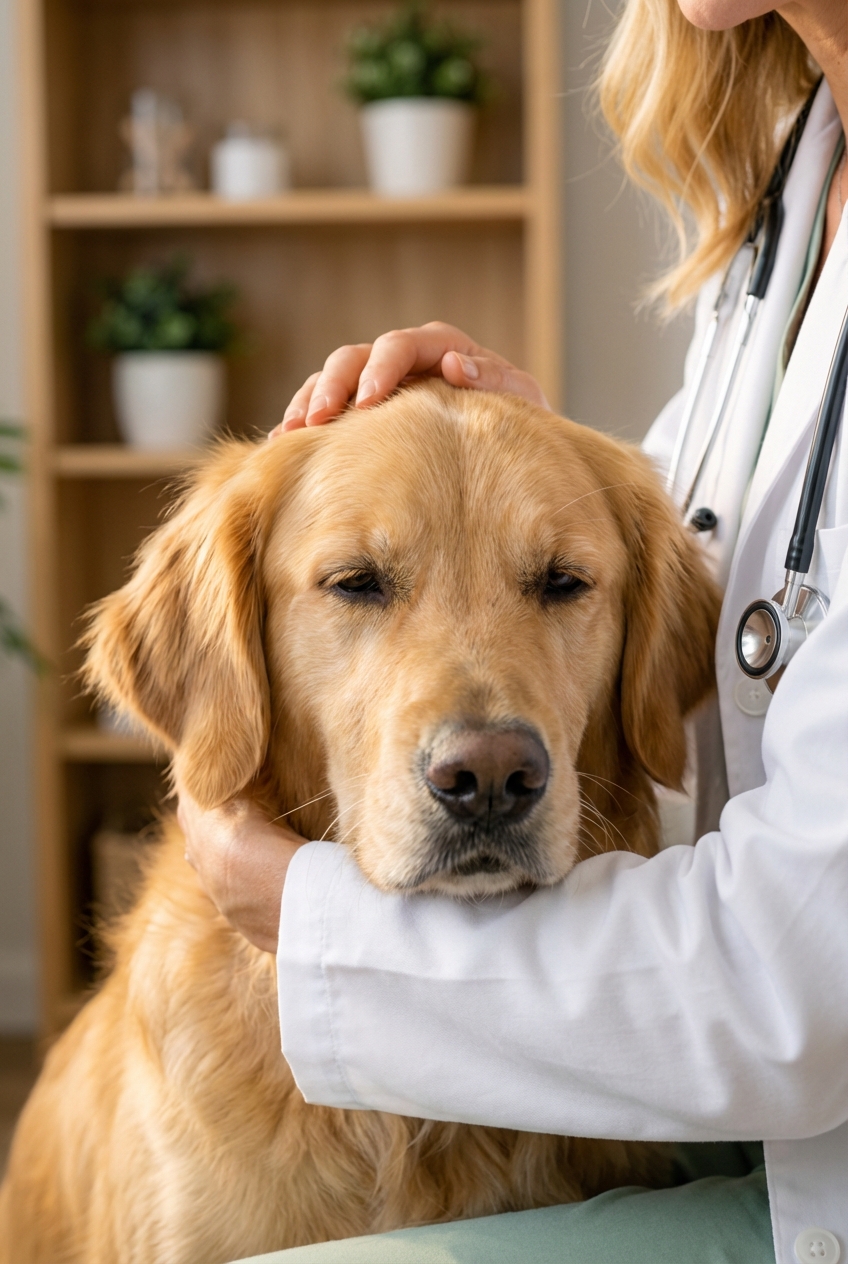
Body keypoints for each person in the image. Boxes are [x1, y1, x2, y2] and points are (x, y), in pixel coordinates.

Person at [178, 0, 848, 1260]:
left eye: (553, 588)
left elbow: (794, 993)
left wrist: (307, 914)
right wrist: (514, 479)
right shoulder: (796, 168)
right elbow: (765, 563)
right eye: (359, 585)